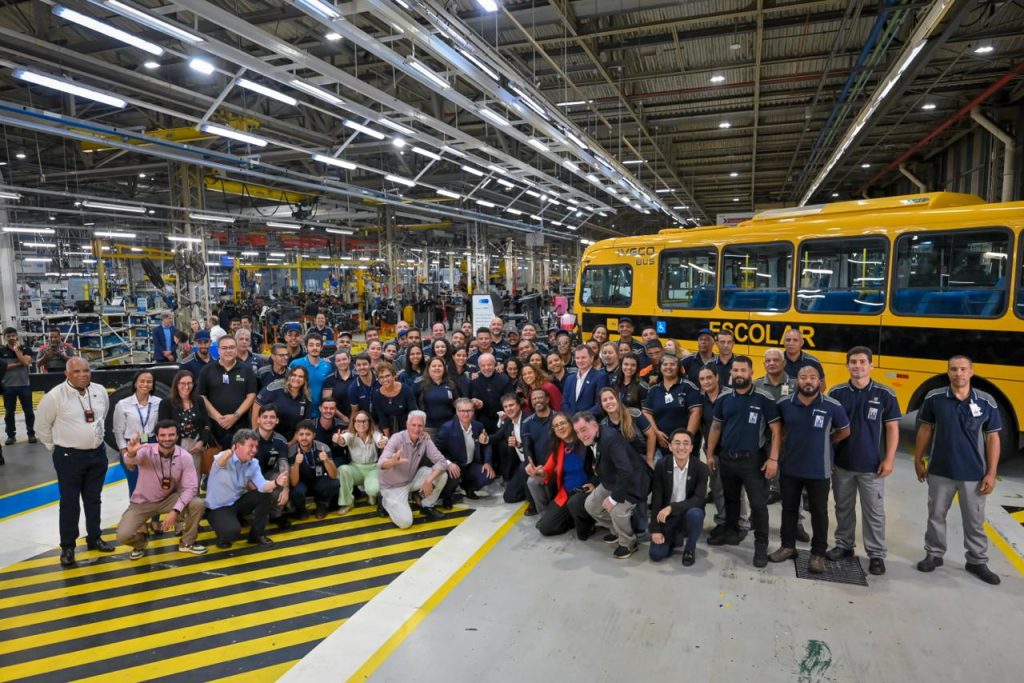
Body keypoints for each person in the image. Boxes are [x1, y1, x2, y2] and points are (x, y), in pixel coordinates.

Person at [914, 355, 1002, 585]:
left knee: (974, 520)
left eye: (963, 369)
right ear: (948, 372)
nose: (958, 373)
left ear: (972, 372)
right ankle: (934, 554)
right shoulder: (935, 398)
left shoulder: (986, 401)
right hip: (939, 470)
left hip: (974, 473)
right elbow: (925, 429)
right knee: (936, 516)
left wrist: (991, 473)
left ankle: (976, 560)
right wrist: (918, 459)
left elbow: (993, 437)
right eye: (954, 369)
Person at [770, 365, 850, 573]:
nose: (808, 381)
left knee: (819, 513)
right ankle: (788, 547)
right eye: (803, 377)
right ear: (797, 381)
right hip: (790, 468)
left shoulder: (832, 405)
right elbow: (779, 431)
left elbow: (844, 431)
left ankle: (817, 554)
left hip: (819, 470)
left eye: (812, 377)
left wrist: (825, 443)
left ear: (819, 381)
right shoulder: (784, 404)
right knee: (788, 509)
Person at [35, 357, 114, 566]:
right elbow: (41, 428)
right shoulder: (54, 397)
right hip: (69, 457)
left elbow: (102, 416)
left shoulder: (99, 391)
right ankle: (68, 546)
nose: (83, 375)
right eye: (77, 372)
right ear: (67, 374)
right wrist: (57, 448)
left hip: (97, 455)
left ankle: (94, 537)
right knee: (69, 503)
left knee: (94, 499)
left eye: (86, 371)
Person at [706, 356, 780, 568]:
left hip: (753, 460)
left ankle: (761, 545)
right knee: (731, 499)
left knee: (758, 505)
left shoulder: (764, 398)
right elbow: (716, 427)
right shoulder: (724, 398)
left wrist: (773, 458)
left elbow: (776, 430)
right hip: (727, 458)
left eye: (742, 371)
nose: (738, 374)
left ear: (751, 372)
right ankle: (731, 531)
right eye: (735, 371)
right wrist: (710, 454)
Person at [116, 421, 207, 559]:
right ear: (157, 437)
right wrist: (131, 453)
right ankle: (141, 542)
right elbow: (131, 462)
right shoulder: (146, 451)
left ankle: (187, 542)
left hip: (169, 499)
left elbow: (191, 488)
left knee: (198, 503)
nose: (167, 438)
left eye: (171, 435)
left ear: (177, 437)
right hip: (142, 502)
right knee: (122, 535)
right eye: (163, 435)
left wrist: (175, 511)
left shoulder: (185, 456)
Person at [567, 412, 646, 559]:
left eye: (583, 429)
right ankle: (617, 530)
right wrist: (595, 483)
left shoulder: (609, 439)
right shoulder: (593, 438)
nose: (581, 435)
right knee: (591, 505)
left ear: (595, 425)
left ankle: (629, 542)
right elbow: (602, 465)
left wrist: (614, 498)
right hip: (612, 480)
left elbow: (626, 470)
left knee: (615, 509)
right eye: (577, 432)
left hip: (633, 483)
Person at [205, 429, 288, 548]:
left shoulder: (253, 463)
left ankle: (256, 534)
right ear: (238, 446)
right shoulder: (223, 458)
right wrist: (229, 453)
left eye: (256, 447)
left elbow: (263, 486)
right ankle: (222, 533)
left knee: (264, 494)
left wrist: (276, 482)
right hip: (218, 508)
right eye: (251, 446)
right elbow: (220, 462)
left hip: (237, 503)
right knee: (232, 533)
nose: (254, 450)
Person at [378, 411, 451, 528]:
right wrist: (392, 462)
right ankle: (385, 501)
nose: (417, 429)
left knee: (442, 475)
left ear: (424, 426)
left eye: (420, 425)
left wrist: (428, 481)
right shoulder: (396, 438)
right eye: (413, 425)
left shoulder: (425, 439)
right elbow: (381, 464)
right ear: (407, 425)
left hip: (411, 479)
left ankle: (426, 505)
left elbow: (441, 461)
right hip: (393, 486)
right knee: (405, 523)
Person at [697, 366, 746, 536]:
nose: (706, 382)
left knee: (736, 489)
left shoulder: (731, 395)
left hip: (732, 449)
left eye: (709, 377)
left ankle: (742, 523)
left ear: (717, 377)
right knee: (717, 487)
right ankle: (723, 520)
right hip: (712, 449)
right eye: (702, 379)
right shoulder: (701, 399)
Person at [526, 411, 593, 535]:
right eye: (556, 426)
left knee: (554, 523)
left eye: (562, 423)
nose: (560, 427)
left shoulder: (584, 441)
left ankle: (582, 519)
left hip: (586, 491)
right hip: (566, 494)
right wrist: (536, 472)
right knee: (544, 527)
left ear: (571, 423)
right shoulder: (558, 447)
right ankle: (572, 519)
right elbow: (547, 471)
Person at [649, 429, 709, 566]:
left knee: (696, 513)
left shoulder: (701, 468)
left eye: (685, 443)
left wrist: (672, 507)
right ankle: (674, 537)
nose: (681, 447)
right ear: (670, 446)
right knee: (656, 554)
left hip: (688, 513)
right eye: (677, 443)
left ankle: (689, 549)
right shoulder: (662, 465)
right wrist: (656, 530)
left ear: (691, 447)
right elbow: (656, 499)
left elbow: (698, 499)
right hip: (668, 517)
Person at [754, 348, 798, 507]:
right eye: (768, 360)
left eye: (776, 360)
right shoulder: (756, 385)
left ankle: (796, 523)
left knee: (792, 484)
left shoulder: (796, 384)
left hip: (791, 443)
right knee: (761, 482)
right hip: (765, 442)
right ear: (764, 364)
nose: (771, 363)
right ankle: (757, 519)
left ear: (784, 363)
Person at [198, 334, 258, 448]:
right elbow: (202, 396)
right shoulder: (206, 370)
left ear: (236, 349)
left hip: (240, 426)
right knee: (217, 463)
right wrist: (218, 418)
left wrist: (235, 416)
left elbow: (251, 396)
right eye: (224, 348)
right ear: (218, 350)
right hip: (214, 428)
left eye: (231, 347)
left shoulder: (247, 370)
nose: (228, 351)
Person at [112, 370, 162, 499]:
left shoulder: (159, 402)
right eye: (142, 381)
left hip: (152, 444)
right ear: (135, 384)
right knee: (135, 485)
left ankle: (155, 518)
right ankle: (137, 517)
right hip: (132, 446)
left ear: (153, 384)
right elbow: (118, 432)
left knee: (154, 484)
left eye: (149, 381)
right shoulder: (123, 405)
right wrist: (125, 455)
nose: (145, 384)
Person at [643, 354, 701, 459]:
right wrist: (656, 432)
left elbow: (696, 412)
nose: (668, 367)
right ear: (660, 368)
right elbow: (647, 412)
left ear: (678, 367)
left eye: (672, 364)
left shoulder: (689, 387)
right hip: (661, 446)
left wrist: (686, 439)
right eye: (665, 364)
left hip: (685, 448)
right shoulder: (654, 390)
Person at [436, 398, 495, 500]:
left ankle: (469, 488)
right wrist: (449, 463)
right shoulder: (447, 428)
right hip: (455, 464)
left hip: (470, 465)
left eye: (469, 411)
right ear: (457, 412)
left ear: (473, 411)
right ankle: (447, 495)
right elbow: (437, 451)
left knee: (488, 475)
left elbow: (486, 445)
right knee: (453, 474)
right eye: (462, 411)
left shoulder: (478, 426)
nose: (466, 414)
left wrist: (487, 462)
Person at [158, 370, 213, 478]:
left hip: (195, 447)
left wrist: (202, 441)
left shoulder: (199, 400)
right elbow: (162, 429)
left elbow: (206, 424)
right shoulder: (166, 403)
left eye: (189, 383)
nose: (186, 387)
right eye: (183, 383)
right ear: (176, 384)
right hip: (175, 447)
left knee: (194, 480)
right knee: (177, 481)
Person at [336, 410, 387, 514]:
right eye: (358, 421)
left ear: (369, 422)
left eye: (364, 421)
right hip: (356, 468)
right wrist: (339, 439)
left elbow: (380, 440)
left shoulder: (375, 434)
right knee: (343, 469)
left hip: (372, 468)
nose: (361, 424)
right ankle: (348, 502)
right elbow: (343, 440)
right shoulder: (350, 435)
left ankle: (371, 494)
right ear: (353, 423)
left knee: (373, 489)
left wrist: (384, 441)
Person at [288, 419, 341, 519]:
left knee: (334, 483)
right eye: (301, 434)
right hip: (301, 483)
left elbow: (334, 475)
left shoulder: (323, 447)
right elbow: (294, 482)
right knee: (296, 490)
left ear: (314, 435)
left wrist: (326, 461)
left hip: (318, 481)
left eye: (308, 434)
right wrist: (296, 464)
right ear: (296, 435)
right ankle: (301, 509)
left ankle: (322, 504)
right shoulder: (291, 451)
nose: (304, 437)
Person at [253, 405, 292, 528]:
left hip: (266, 475)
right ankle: (241, 514)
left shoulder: (281, 441)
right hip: (248, 478)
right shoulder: (247, 438)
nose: (268, 420)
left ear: (277, 421)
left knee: (281, 478)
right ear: (258, 419)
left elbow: (284, 466)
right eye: (265, 417)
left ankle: (276, 515)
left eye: (272, 417)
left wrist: (286, 490)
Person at [599, 386, 656, 467]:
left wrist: (649, 459)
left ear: (617, 400)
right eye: (604, 400)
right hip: (621, 464)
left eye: (611, 398)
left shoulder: (634, 414)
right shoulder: (604, 425)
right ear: (601, 405)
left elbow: (652, 435)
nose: (608, 402)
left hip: (641, 458)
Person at [253, 365, 311, 441]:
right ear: (289, 376)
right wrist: (255, 434)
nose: (296, 378)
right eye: (294, 375)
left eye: (300, 377)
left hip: (290, 440)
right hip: (266, 437)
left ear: (305, 380)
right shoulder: (275, 387)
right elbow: (257, 406)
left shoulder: (306, 396)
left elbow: (303, 425)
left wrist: (292, 443)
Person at [492, 393, 529, 503]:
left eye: (511, 405)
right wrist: (485, 439)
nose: (509, 409)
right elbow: (496, 437)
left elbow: (536, 448)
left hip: (532, 463)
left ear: (519, 405)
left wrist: (519, 445)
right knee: (509, 497)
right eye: (506, 406)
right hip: (520, 465)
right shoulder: (509, 422)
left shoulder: (529, 420)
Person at [2, 327, 35, 444]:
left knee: (29, 412)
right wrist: (18, 363)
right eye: (8, 336)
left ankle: (31, 434)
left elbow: (26, 362)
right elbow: (2, 367)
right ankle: (11, 436)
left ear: (17, 336)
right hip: (8, 386)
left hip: (24, 385)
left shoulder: (25, 348)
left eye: (13, 335)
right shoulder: (1, 350)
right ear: (4, 337)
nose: (11, 338)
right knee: (9, 413)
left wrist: (17, 351)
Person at [290, 333, 334, 417]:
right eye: (311, 345)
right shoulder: (295, 364)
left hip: (321, 413)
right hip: (298, 412)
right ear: (306, 347)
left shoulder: (328, 365)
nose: (314, 348)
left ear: (321, 347)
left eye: (317, 345)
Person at [371, 362, 418, 436]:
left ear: (394, 376)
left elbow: (413, 412)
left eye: (387, 376)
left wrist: (411, 434)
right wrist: (388, 439)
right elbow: (382, 418)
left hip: (407, 427)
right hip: (388, 428)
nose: (385, 379)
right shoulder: (377, 395)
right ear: (378, 380)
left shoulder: (406, 389)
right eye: (381, 377)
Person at [562, 345, 607, 417]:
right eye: (577, 358)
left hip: (590, 421)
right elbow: (565, 402)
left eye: (583, 357)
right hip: (571, 421)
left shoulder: (600, 377)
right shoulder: (569, 379)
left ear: (591, 358)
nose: (580, 361)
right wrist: (571, 418)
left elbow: (600, 404)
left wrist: (582, 418)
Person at [419, 356, 459, 434]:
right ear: (428, 368)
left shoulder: (451, 384)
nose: (437, 368)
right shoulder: (421, 384)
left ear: (444, 368)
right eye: (434, 366)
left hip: (449, 426)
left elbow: (456, 402)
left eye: (440, 366)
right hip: (428, 427)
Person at [348, 353, 379, 421]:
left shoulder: (380, 380)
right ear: (355, 367)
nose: (362, 367)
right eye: (358, 365)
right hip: (367, 423)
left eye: (364, 364)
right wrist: (350, 430)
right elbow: (354, 411)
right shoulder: (353, 388)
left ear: (370, 364)